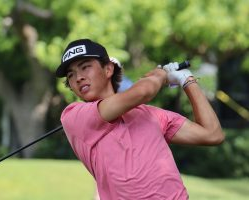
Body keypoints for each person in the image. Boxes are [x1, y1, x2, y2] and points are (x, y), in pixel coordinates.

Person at [55, 39, 225, 200]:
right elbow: (143, 92)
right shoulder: (74, 116)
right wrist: (160, 74)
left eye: (85, 67)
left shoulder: (153, 115)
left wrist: (187, 80)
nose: (78, 77)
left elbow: (212, 135)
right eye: (71, 75)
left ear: (108, 69)